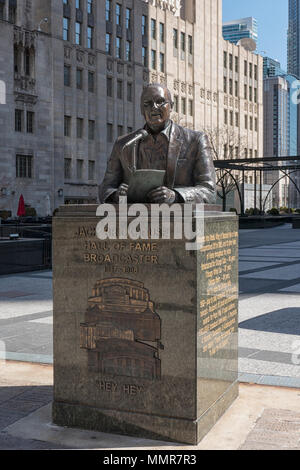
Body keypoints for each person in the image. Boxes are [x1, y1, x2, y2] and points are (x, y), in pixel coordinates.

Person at [99, 83, 216, 204]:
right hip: (136, 218)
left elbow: (209, 191)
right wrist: (116, 195)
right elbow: (105, 188)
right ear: (141, 109)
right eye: (147, 104)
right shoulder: (124, 144)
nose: (154, 107)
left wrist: (175, 196)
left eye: (160, 101)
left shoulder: (195, 141)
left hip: (178, 219)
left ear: (171, 106)